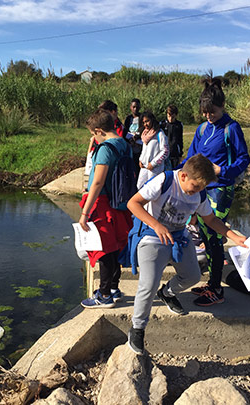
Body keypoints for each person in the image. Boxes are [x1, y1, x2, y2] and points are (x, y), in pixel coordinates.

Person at [126, 154, 247, 354]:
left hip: (179, 236)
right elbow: (133, 203)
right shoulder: (164, 181)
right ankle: (137, 328)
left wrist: (234, 236)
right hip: (152, 235)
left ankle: (166, 293)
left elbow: (210, 219)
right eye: (195, 186)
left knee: (192, 276)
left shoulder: (199, 194)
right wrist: (156, 225)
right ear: (183, 176)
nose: (197, 191)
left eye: (202, 187)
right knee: (147, 285)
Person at [182, 77, 250, 306]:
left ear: (222, 106)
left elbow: (243, 159)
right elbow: (191, 157)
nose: (208, 116)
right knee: (205, 237)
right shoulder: (202, 129)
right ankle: (212, 283)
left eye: (212, 111)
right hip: (202, 188)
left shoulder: (232, 128)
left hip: (220, 189)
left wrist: (223, 170)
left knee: (214, 237)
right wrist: (175, 175)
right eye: (205, 112)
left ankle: (216, 290)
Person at [79, 109, 133, 308]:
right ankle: (113, 288)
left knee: (104, 250)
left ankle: (103, 295)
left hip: (103, 204)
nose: (93, 138)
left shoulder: (105, 148)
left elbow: (97, 182)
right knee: (116, 246)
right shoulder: (124, 145)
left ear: (99, 130)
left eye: (93, 134)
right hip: (120, 202)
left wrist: (85, 212)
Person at [137, 111, 169, 189]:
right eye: (143, 122)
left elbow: (165, 151)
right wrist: (141, 160)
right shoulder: (145, 134)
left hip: (155, 168)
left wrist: (153, 163)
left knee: (153, 189)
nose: (145, 124)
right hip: (144, 167)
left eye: (147, 121)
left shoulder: (159, 133)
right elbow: (144, 150)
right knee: (140, 186)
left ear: (152, 120)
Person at [122, 98, 143, 174]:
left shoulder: (142, 117)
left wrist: (136, 137)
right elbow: (125, 131)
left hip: (139, 144)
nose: (135, 109)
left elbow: (142, 129)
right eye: (133, 107)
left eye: (137, 107)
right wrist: (130, 139)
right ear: (131, 107)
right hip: (130, 144)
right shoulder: (128, 119)